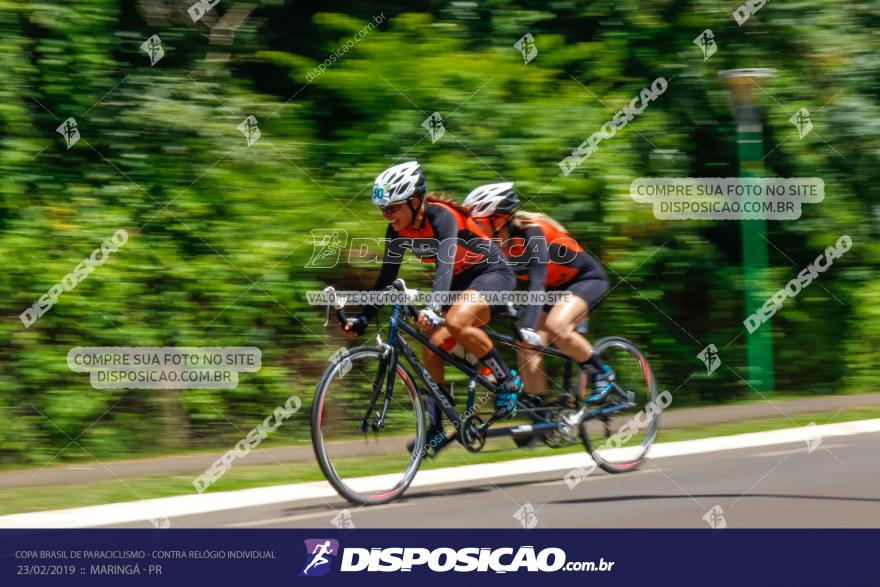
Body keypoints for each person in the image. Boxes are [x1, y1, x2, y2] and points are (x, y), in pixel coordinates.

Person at [340, 162, 522, 448]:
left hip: (492, 274)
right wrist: (362, 318)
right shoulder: (396, 232)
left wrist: (435, 307)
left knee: (456, 322)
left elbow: (445, 266)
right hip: (461, 284)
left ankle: (506, 379)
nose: (387, 216)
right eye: (382, 210)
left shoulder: (442, 217)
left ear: (414, 201)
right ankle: (437, 427)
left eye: (391, 208)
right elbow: (386, 279)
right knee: (432, 344)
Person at [462, 182, 613, 405]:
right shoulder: (492, 245)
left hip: (585, 280)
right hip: (552, 290)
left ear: (500, 218)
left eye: (480, 222)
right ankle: (538, 406)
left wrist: (530, 325)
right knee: (524, 343)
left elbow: (537, 282)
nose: (476, 229)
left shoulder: (533, 231)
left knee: (555, 326)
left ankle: (600, 372)